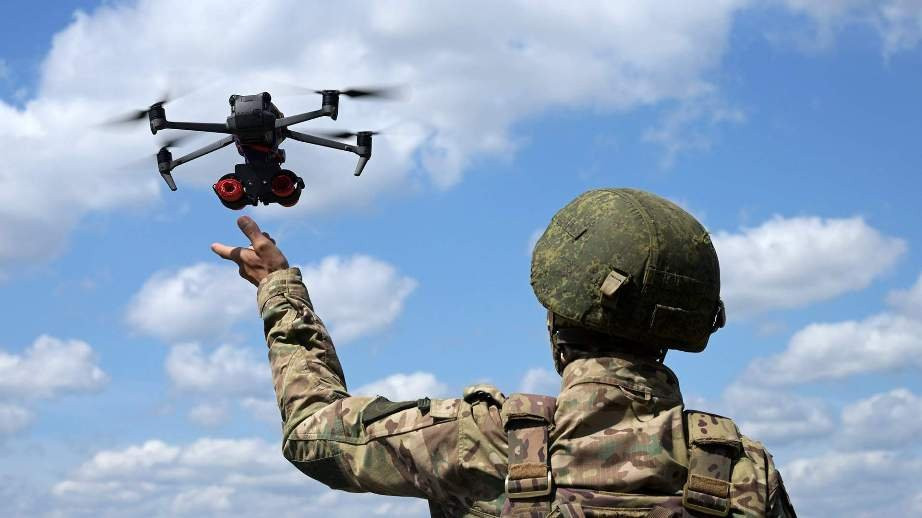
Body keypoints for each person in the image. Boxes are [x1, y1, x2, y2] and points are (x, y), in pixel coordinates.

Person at [212, 188, 796, 518]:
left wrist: (279, 290)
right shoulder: (742, 469)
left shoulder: (481, 440)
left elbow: (311, 434)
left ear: (556, 319)